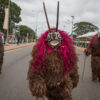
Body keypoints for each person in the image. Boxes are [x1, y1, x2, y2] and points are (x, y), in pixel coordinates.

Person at [27, 2, 79, 100]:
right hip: (48, 91)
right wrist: (38, 85)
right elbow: (35, 71)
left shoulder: (67, 52)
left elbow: (73, 68)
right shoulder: (41, 54)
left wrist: (73, 80)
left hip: (64, 89)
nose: (54, 44)